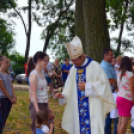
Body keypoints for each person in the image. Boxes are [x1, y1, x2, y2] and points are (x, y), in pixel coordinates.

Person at [55, 36, 115, 134]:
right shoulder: (73, 69)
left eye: (75, 60)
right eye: (72, 61)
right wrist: (62, 95)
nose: (74, 63)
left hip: (93, 108)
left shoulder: (95, 66)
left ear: (82, 56)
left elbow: (104, 85)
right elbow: (68, 88)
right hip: (77, 110)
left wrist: (87, 86)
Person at [27, 51, 54, 134]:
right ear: (39, 60)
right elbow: (33, 94)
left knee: (46, 128)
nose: (47, 63)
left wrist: (48, 107)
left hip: (44, 104)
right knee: (37, 129)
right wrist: (37, 110)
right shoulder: (34, 75)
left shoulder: (42, 73)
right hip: (37, 105)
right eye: (46, 60)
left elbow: (44, 92)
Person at [100, 48, 117, 134]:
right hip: (107, 94)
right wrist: (119, 80)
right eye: (111, 55)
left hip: (109, 93)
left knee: (109, 117)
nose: (112, 57)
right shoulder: (104, 67)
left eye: (112, 55)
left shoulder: (108, 65)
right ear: (105, 55)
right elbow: (109, 81)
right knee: (108, 118)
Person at [116, 56, 134, 134]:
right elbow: (132, 89)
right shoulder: (130, 74)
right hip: (127, 98)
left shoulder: (119, 74)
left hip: (119, 97)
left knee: (120, 121)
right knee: (124, 122)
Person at [0, 55, 17, 133]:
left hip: (9, 98)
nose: (8, 64)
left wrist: (14, 96)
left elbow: (11, 85)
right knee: (2, 119)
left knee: (5, 118)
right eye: (6, 62)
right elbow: (3, 88)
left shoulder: (8, 73)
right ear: (1, 62)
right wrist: (10, 99)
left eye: (8, 62)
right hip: (2, 98)